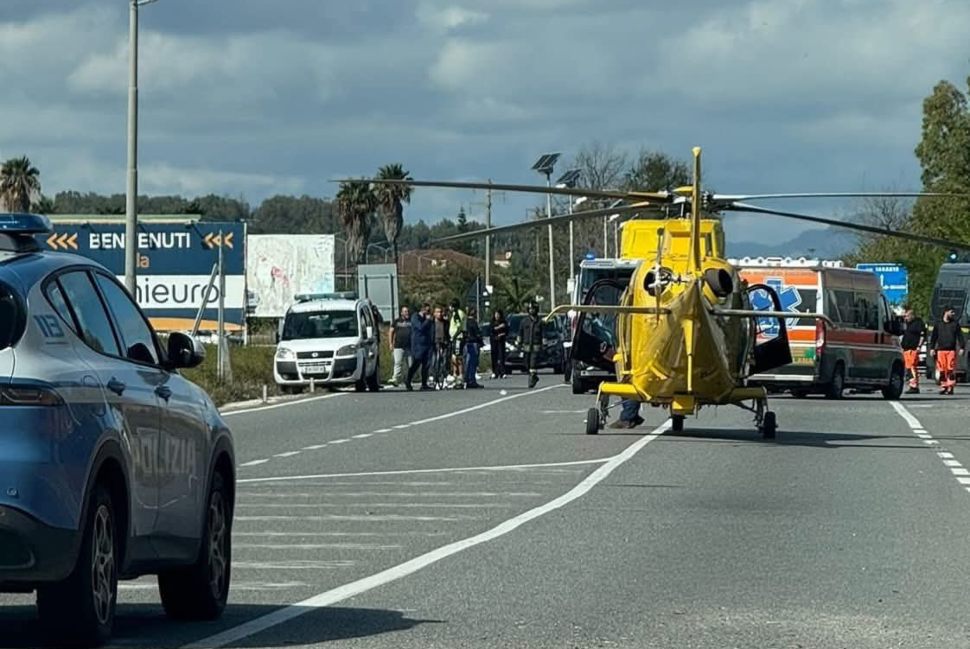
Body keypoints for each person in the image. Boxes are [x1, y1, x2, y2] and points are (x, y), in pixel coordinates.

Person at [929, 305, 965, 395]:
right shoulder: (938, 324)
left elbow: (960, 336)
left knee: (950, 369)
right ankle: (943, 386)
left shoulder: (955, 324)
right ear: (946, 312)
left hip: (951, 350)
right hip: (940, 350)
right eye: (951, 312)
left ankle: (950, 386)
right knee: (941, 370)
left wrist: (962, 347)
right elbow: (934, 337)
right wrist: (932, 348)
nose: (953, 314)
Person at [406, 303, 433, 391]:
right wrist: (427, 321)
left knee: (426, 365)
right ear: (422, 309)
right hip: (418, 344)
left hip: (427, 344)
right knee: (416, 364)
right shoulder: (415, 317)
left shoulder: (428, 319)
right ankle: (408, 381)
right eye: (427, 310)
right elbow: (420, 328)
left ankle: (424, 384)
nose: (428, 312)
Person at [900, 305, 927, 394]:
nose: (905, 318)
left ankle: (914, 386)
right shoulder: (907, 324)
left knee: (911, 367)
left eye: (907, 316)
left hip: (913, 349)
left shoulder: (918, 323)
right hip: (906, 349)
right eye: (904, 316)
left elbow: (922, 336)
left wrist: (919, 346)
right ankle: (912, 384)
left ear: (912, 315)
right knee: (908, 368)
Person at [519, 301, 544, 389]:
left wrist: (543, 343)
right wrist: (519, 342)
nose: (531, 310)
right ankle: (534, 376)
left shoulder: (540, 322)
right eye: (530, 309)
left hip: (536, 345)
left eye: (533, 309)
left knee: (533, 364)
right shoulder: (524, 321)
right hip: (526, 346)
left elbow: (543, 334)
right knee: (526, 364)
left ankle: (532, 380)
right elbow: (520, 332)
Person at [389, 306, 412, 387]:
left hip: (409, 346)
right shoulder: (397, 321)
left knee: (410, 365)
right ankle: (395, 378)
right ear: (401, 313)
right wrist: (391, 343)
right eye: (405, 311)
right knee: (398, 363)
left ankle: (408, 380)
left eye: (407, 311)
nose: (407, 313)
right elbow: (391, 331)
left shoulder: (411, 321)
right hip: (398, 346)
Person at [463, 307, 485, 388]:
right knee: (472, 362)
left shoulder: (465, 322)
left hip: (466, 343)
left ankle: (466, 379)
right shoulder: (473, 322)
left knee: (467, 362)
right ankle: (471, 380)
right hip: (473, 343)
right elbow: (477, 333)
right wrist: (480, 341)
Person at [431, 305, 451, 389]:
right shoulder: (431, 323)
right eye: (437, 312)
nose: (439, 314)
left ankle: (444, 378)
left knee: (444, 362)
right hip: (434, 344)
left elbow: (448, 333)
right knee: (435, 361)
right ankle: (435, 379)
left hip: (444, 344)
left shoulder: (446, 322)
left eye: (440, 312)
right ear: (434, 313)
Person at [448, 299, 466, 386]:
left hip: (458, 338)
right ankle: (455, 375)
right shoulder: (455, 314)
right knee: (454, 357)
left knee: (458, 358)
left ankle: (460, 376)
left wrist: (453, 336)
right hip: (455, 338)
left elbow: (459, 327)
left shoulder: (458, 314)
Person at [490, 309, 509, 379]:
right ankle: (495, 372)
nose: (497, 316)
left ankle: (503, 372)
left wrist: (502, 334)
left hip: (501, 341)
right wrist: (499, 327)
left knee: (501, 357)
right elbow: (492, 330)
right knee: (494, 357)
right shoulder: (492, 322)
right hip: (494, 341)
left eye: (498, 314)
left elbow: (507, 331)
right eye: (495, 314)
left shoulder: (504, 322)